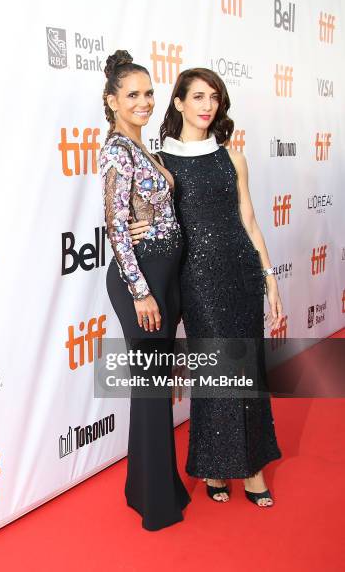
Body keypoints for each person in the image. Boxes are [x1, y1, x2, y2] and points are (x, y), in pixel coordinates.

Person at [129, 68, 282, 507]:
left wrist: (270, 278)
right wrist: (136, 229)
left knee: (247, 368)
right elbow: (148, 216)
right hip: (196, 279)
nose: (206, 105)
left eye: (213, 97)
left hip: (241, 272)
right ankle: (214, 465)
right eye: (196, 96)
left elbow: (248, 220)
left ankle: (252, 471)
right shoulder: (161, 163)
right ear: (177, 102)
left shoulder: (232, 158)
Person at [99, 50, 190, 530]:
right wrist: (141, 291)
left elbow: (150, 210)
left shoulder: (144, 147)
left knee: (151, 387)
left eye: (149, 93)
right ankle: (155, 502)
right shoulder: (116, 148)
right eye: (132, 94)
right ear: (111, 101)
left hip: (163, 274)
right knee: (153, 388)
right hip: (143, 281)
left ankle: (150, 486)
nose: (144, 101)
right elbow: (116, 224)